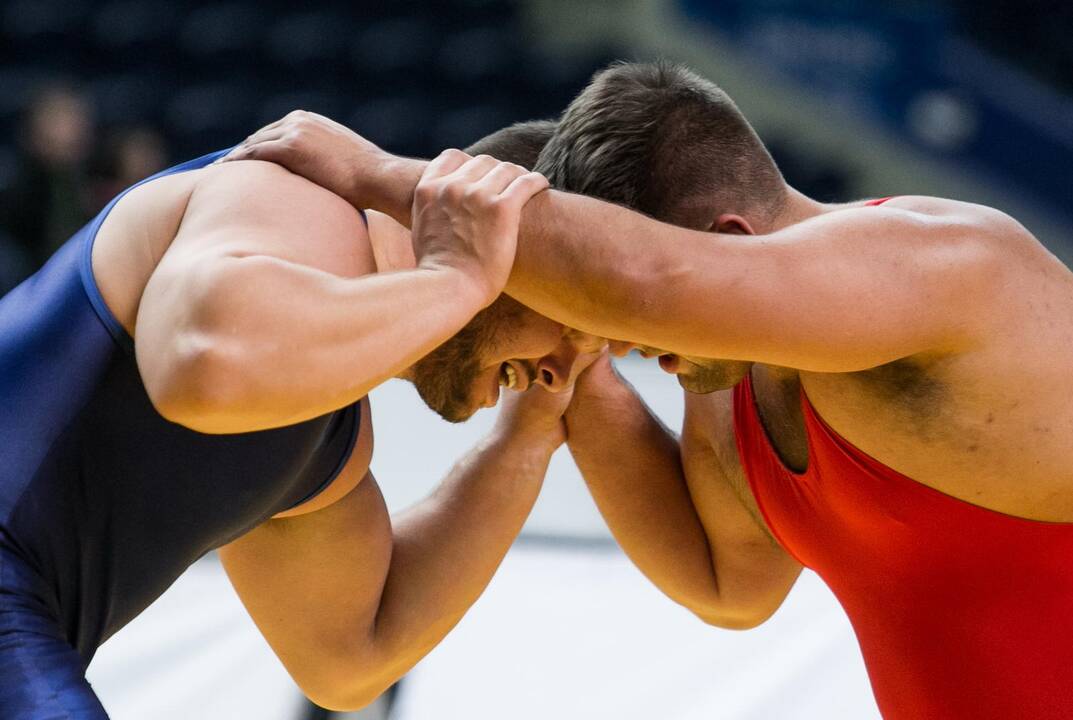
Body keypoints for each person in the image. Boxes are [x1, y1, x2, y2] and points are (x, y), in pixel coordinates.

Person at [231, 62, 1073, 720]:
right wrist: (570, 364)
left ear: (729, 242)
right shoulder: (733, 371)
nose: (630, 349)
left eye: (623, 333)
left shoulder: (950, 265)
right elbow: (724, 582)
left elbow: (647, 277)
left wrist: (380, 175)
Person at [0, 119, 602, 717]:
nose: (565, 365)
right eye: (575, 326)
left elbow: (348, 662)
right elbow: (202, 366)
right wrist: (457, 279)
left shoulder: (329, 429)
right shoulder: (299, 207)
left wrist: (526, 438)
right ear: (502, 244)